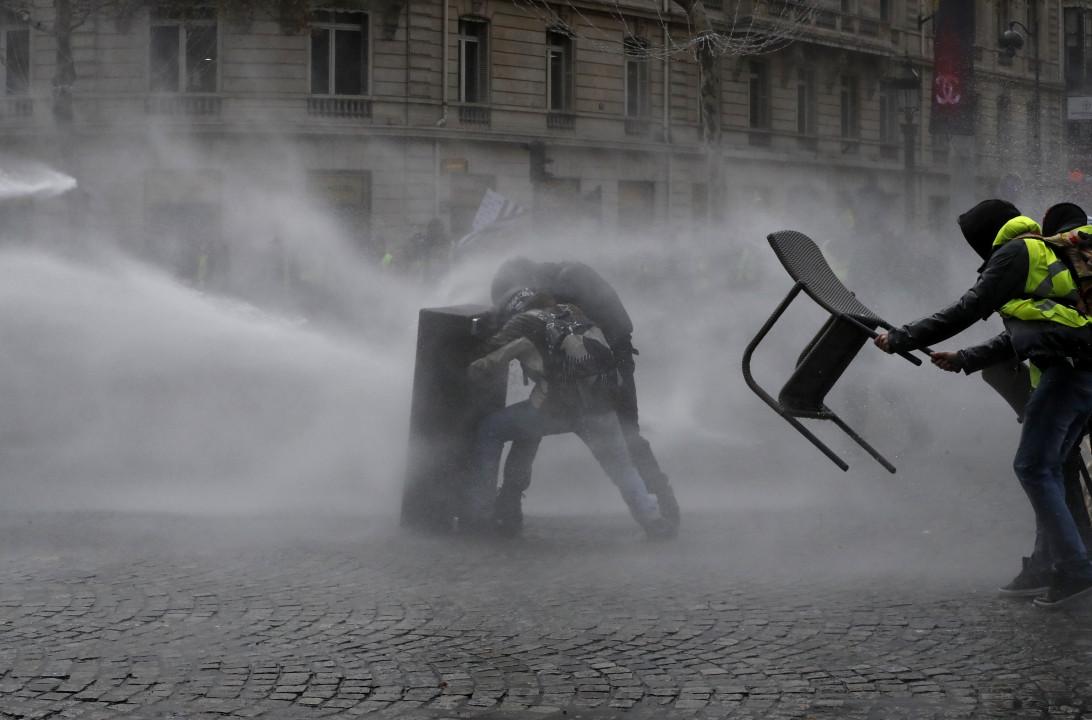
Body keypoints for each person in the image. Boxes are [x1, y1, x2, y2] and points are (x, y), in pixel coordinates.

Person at [874, 199, 1092, 609]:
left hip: (1067, 373)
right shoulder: (1042, 252)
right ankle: (1056, 566)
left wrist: (902, 338)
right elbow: (1040, 326)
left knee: (1033, 466)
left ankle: (1075, 571)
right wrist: (966, 359)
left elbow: (967, 309)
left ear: (983, 238)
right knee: (1056, 468)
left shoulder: (1017, 253)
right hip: (1077, 371)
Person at [489, 258, 679, 536]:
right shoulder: (559, 277)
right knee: (624, 434)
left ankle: (508, 506)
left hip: (601, 365)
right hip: (605, 360)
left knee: (621, 434)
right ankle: (662, 507)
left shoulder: (558, 289)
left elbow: (560, 336)